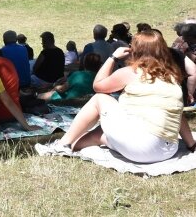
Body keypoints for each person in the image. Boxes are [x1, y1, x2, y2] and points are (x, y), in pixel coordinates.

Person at [40, 31, 196, 163]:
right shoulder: (171, 77)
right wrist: (191, 144)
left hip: (143, 147)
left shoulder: (131, 72)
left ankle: (63, 144)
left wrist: (113, 58)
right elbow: (178, 114)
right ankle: (73, 145)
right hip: (168, 150)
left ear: (135, 50)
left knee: (99, 99)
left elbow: (98, 86)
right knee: (100, 132)